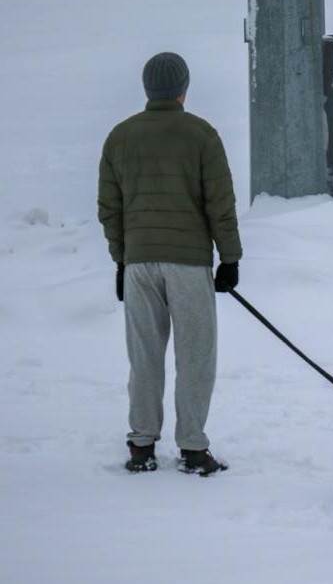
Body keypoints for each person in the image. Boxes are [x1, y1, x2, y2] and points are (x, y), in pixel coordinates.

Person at [98, 52, 242, 475]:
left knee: (144, 355)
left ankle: (141, 445)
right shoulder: (201, 135)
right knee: (194, 356)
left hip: (140, 262)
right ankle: (193, 449)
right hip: (188, 262)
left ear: (147, 88)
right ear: (184, 88)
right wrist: (229, 257)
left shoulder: (119, 137)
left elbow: (110, 208)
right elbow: (220, 203)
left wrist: (121, 261)